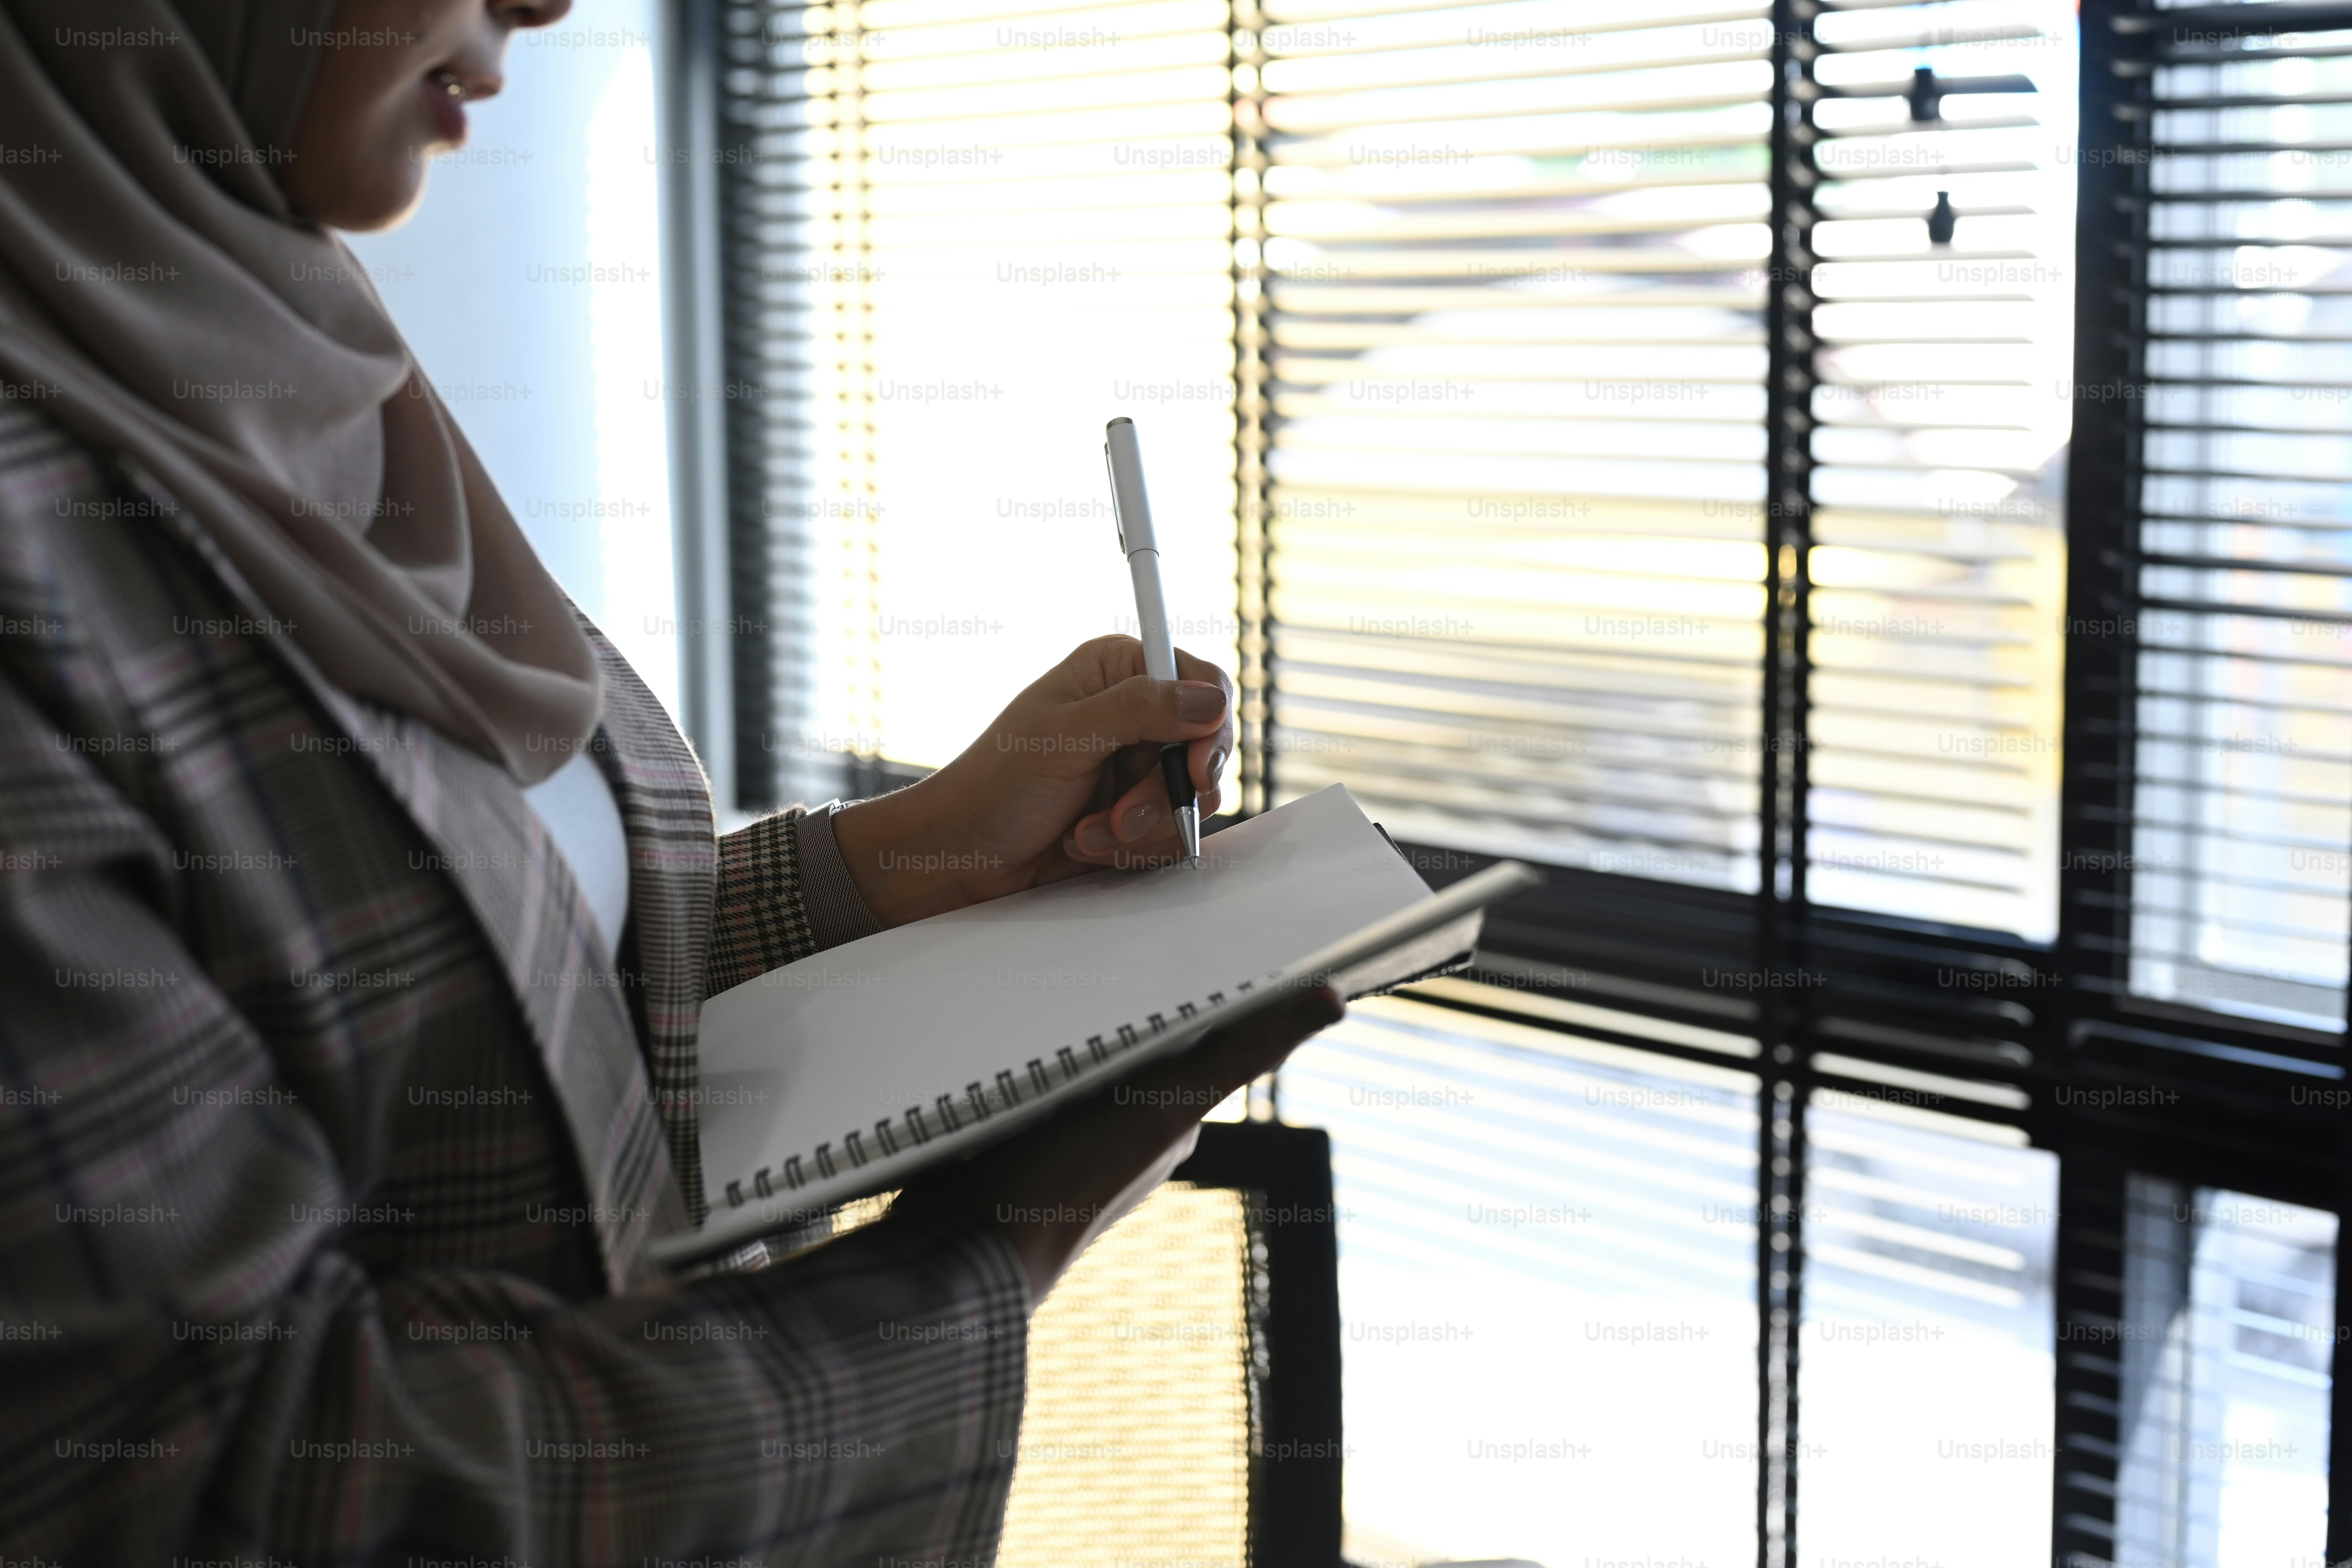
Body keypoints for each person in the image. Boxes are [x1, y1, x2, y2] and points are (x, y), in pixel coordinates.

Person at [0, 0, 1342, 1560]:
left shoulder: (276, 347)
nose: (546, 4)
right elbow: (233, 1477)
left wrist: (908, 859)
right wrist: (993, 1249)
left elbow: (506, 996)